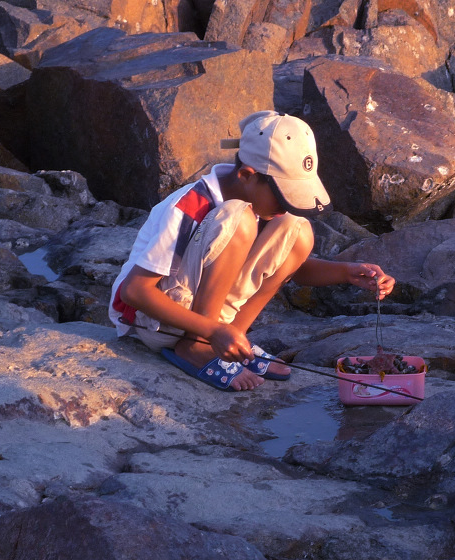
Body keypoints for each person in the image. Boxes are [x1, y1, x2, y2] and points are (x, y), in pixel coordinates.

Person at [109, 111, 395, 392]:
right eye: (282, 196)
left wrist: (346, 272)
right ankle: (198, 346)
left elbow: (289, 266)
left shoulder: (255, 203)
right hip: (157, 321)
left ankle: (236, 338)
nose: (286, 206)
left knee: (297, 229)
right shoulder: (189, 207)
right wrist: (209, 332)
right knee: (240, 218)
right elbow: (134, 292)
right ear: (247, 175)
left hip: (214, 326)